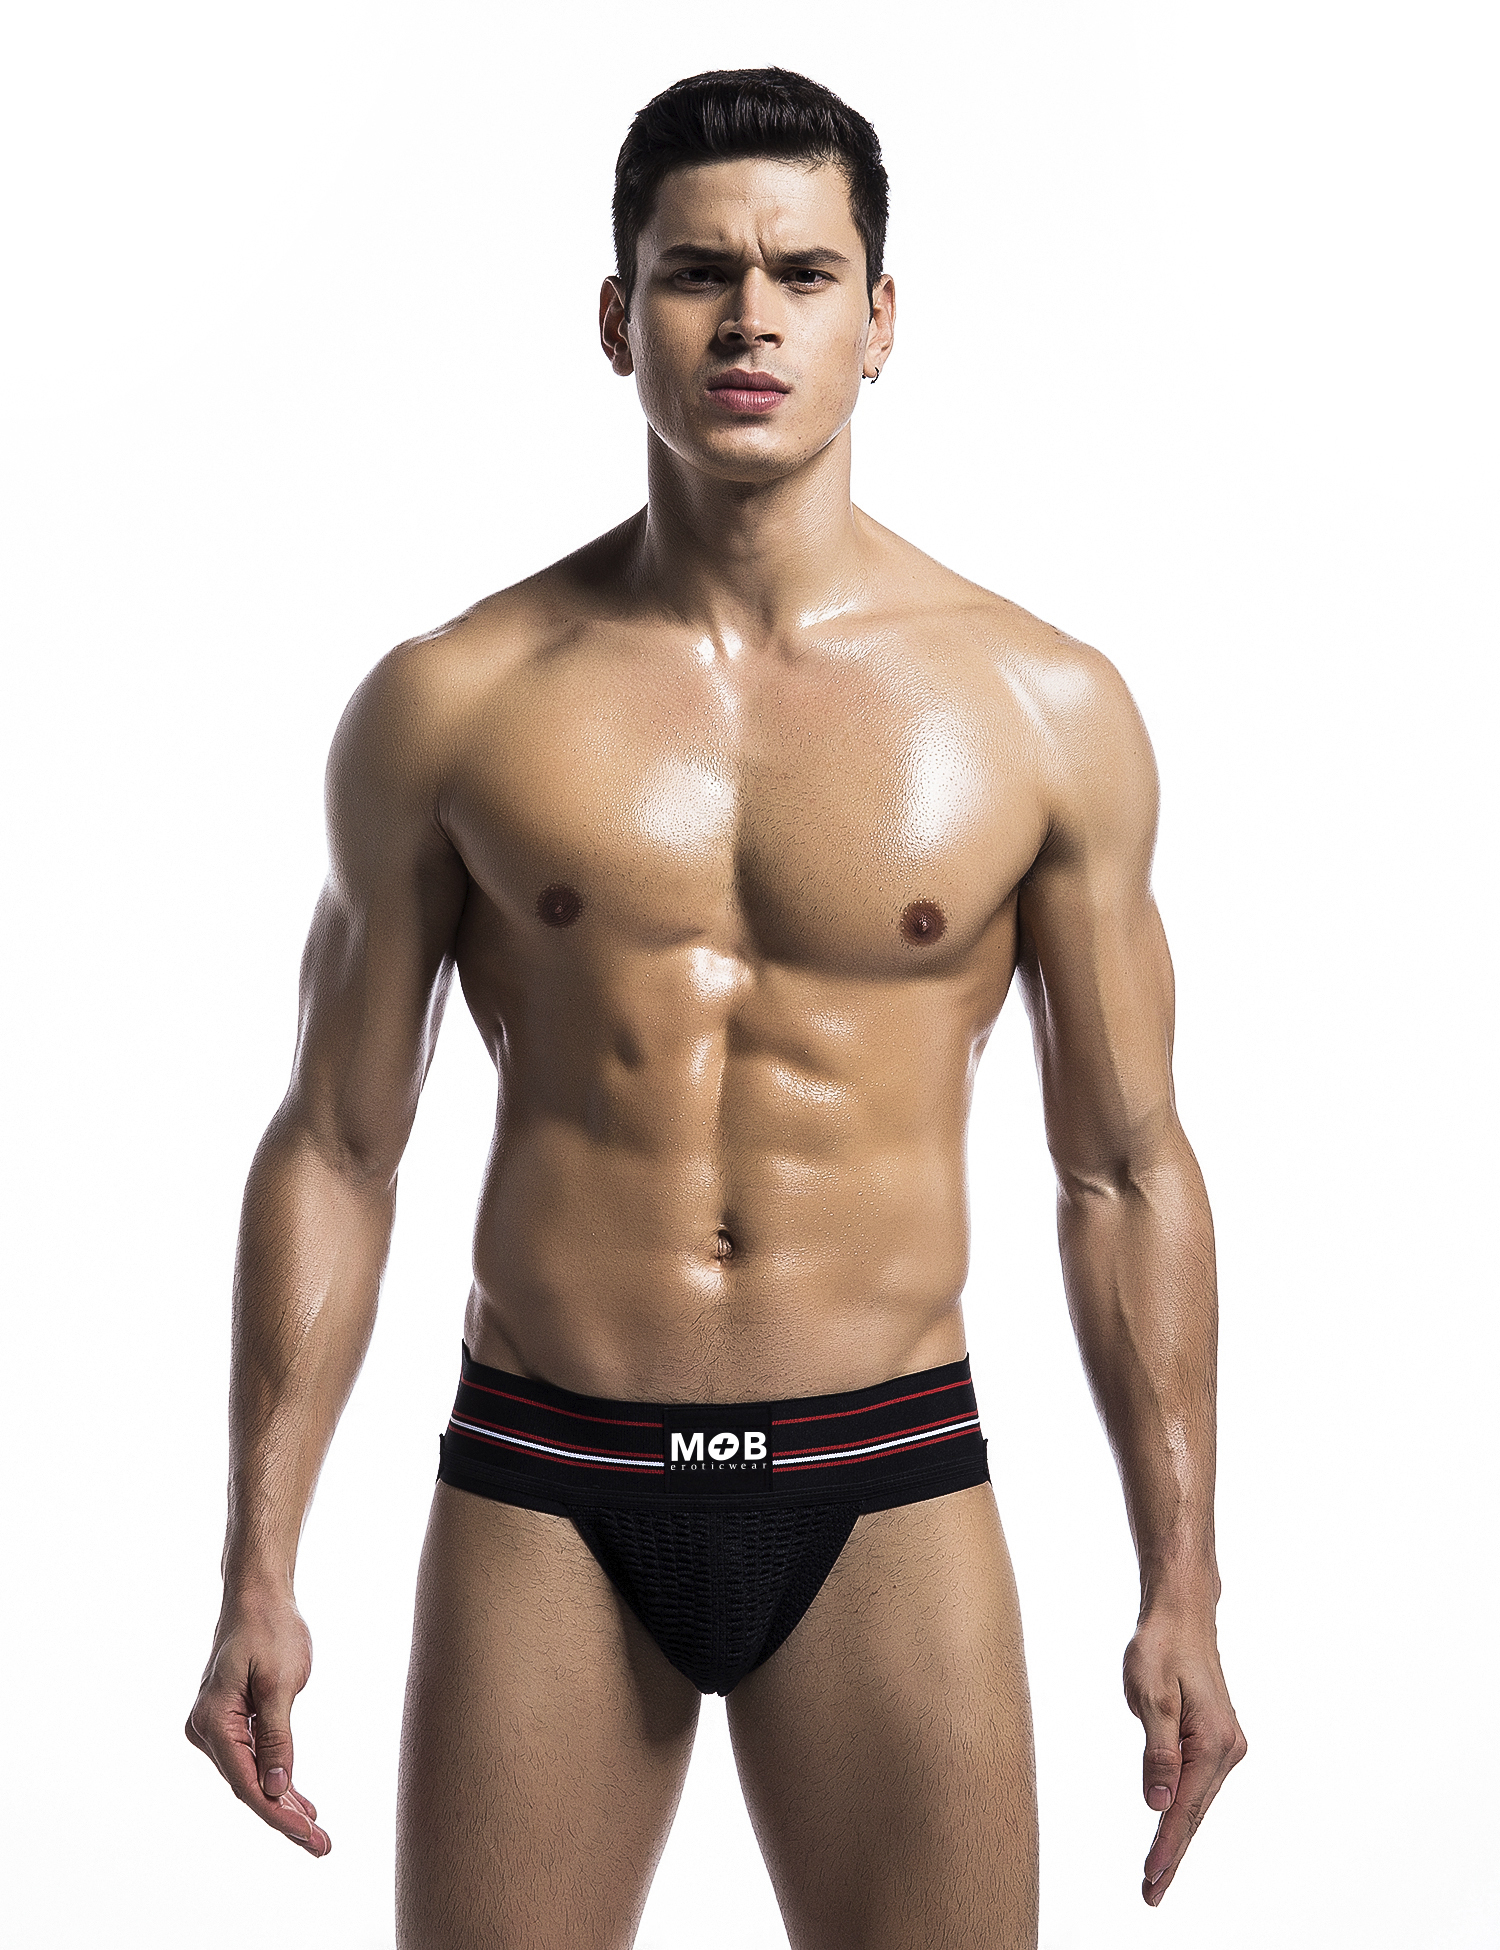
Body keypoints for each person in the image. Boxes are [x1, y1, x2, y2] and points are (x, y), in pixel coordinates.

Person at [186, 67, 1245, 1949]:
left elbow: (1124, 1166)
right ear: (620, 318)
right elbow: (337, 1143)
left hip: (884, 1483)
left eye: (804, 274)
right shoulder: (456, 703)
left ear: (879, 318)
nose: (752, 318)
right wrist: (255, 1560)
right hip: (549, 1487)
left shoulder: (1040, 709)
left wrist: (1187, 1580)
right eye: (698, 274)